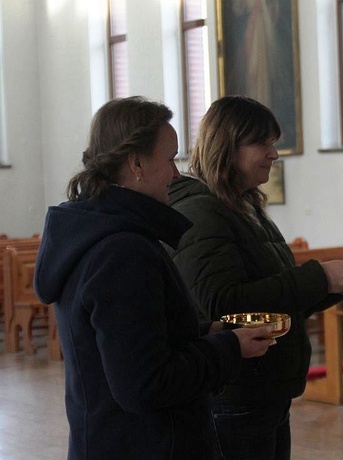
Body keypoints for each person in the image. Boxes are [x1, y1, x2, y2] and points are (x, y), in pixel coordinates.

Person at [33, 96, 276, 460]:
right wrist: (229, 348)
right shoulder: (121, 251)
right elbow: (145, 385)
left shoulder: (98, 232)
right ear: (136, 164)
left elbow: (128, 344)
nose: (177, 174)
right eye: (170, 159)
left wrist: (200, 333)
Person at [167, 95, 343, 460]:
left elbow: (276, 296)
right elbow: (224, 303)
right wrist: (317, 277)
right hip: (236, 390)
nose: (274, 154)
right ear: (227, 147)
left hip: (264, 386)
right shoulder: (202, 212)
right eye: (263, 143)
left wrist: (337, 283)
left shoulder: (242, 205)